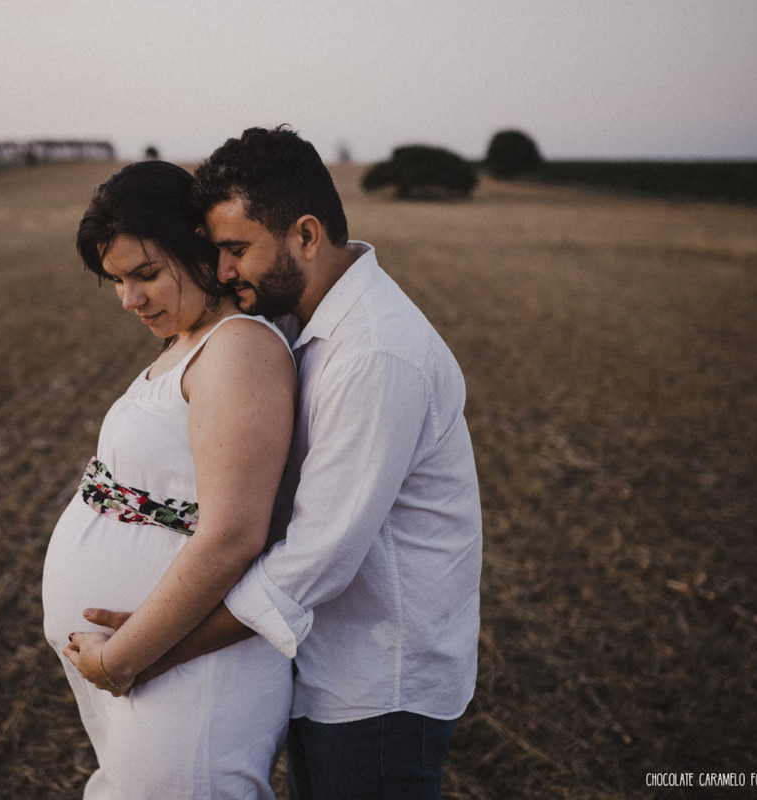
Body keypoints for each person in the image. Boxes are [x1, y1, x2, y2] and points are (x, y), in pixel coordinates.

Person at [83, 126, 484, 799]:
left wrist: (147, 653)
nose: (224, 270)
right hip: (323, 662)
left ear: (305, 235)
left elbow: (310, 565)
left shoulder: (373, 354)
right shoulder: (300, 323)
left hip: (377, 683)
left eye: (236, 249)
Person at [41, 160, 296, 799]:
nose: (130, 300)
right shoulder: (189, 340)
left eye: (147, 274)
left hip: (189, 674)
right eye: (118, 280)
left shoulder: (238, 349)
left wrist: (125, 658)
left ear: (202, 251)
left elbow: (234, 534)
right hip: (143, 667)